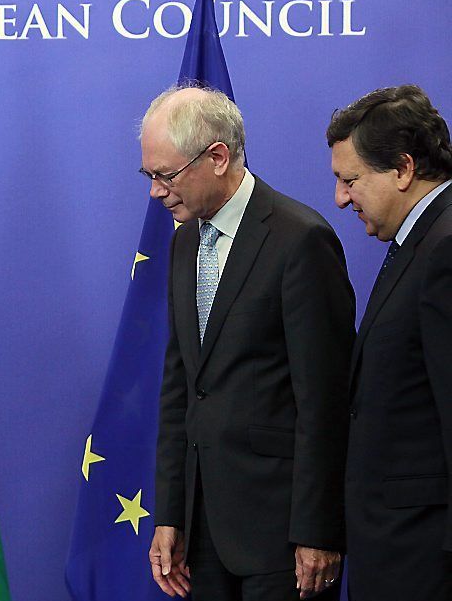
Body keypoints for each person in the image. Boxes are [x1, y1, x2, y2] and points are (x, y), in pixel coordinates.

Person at [141, 86, 355, 601]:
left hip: (282, 537)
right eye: (148, 176)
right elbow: (181, 388)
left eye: (165, 175)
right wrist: (170, 513)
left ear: (217, 157)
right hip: (203, 533)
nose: (156, 192)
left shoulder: (300, 239)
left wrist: (318, 529)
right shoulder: (183, 243)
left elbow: (325, 401)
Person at [327, 84, 452, 600]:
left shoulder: (445, 250)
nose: (340, 198)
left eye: (350, 180)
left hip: (425, 561)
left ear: (402, 169)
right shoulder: (419, 243)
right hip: (399, 553)